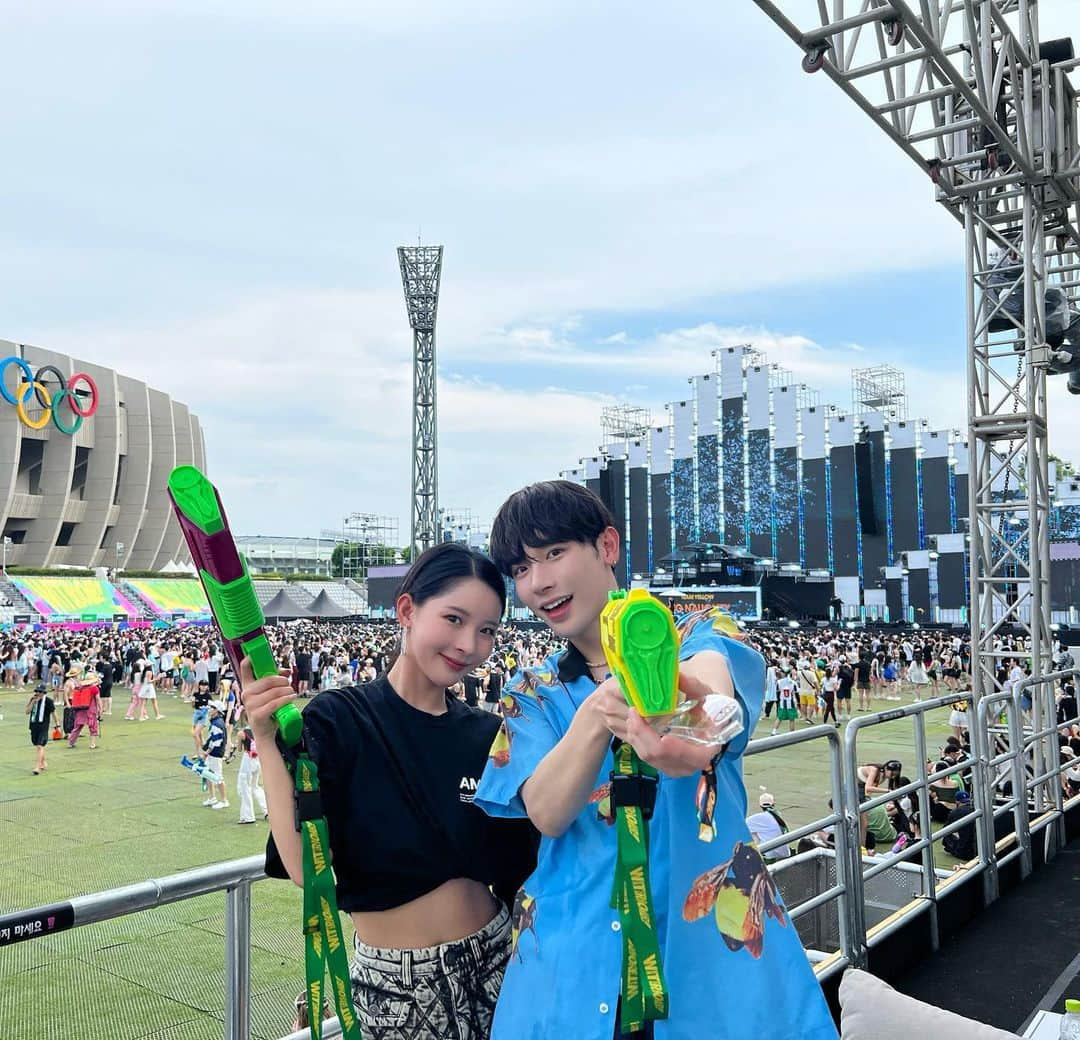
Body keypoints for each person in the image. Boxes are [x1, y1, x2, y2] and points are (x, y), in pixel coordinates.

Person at [475, 480, 837, 1040]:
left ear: (608, 547)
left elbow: (712, 698)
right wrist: (599, 713)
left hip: (709, 962)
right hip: (572, 969)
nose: (539, 582)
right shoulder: (532, 689)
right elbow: (545, 810)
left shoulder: (695, 631)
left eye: (554, 554)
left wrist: (698, 721)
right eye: (521, 569)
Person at [246, 543, 539, 1040]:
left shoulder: (487, 735)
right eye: (454, 618)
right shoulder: (339, 719)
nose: (469, 644)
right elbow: (303, 867)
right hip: (394, 990)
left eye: (487, 629)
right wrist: (267, 741)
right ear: (407, 610)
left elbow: (520, 868)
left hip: (501, 964)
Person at [746, 792, 792, 861]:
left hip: (772, 855)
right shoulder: (777, 815)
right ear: (773, 804)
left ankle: (750, 858)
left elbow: (744, 825)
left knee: (753, 833)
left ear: (760, 805)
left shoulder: (760, 818)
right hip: (786, 853)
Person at [200, 700, 229, 810]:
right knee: (207, 773)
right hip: (214, 753)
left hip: (216, 754)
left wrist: (206, 752)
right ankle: (212, 797)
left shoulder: (217, 723)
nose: (209, 709)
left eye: (212, 707)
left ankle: (224, 800)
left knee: (217, 776)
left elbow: (216, 742)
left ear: (216, 710)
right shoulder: (216, 721)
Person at [236, 726, 268, 824]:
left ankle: (248, 816)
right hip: (258, 759)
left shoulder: (241, 733)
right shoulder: (260, 730)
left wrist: (237, 743)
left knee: (245, 787)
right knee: (255, 786)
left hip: (248, 760)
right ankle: (266, 810)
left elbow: (239, 749)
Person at [26, 682, 57, 775]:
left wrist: (57, 725)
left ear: (44, 693)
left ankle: (37, 766)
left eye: (40, 692)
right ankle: (43, 762)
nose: (38, 693)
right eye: (37, 691)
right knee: (37, 745)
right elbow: (27, 711)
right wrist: (32, 702)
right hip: (34, 726)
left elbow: (54, 713)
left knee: (40, 746)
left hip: (43, 726)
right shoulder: (33, 699)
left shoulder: (48, 701)